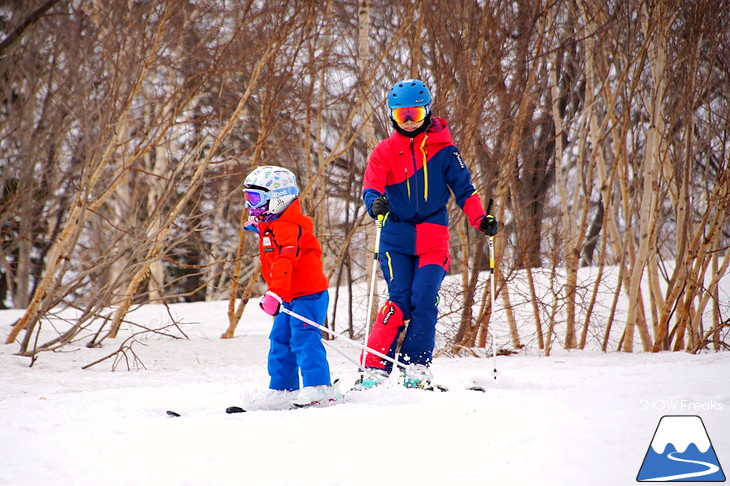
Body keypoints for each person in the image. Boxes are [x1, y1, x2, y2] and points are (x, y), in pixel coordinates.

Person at [356, 79, 499, 390]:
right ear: (392, 115)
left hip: (433, 238)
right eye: (402, 114)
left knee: (424, 298)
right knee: (399, 301)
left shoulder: (445, 151)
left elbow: (465, 191)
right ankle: (373, 371)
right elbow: (371, 187)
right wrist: (374, 203)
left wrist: (480, 219)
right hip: (395, 239)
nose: (409, 121)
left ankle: (416, 368)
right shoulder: (384, 151)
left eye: (416, 114)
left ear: (428, 112)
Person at [242, 165, 335, 407]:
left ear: (278, 199)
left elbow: (285, 260)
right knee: (280, 338)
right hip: (289, 296)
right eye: (247, 198)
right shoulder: (271, 225)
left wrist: (275, 292)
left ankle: (319, 386)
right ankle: (283, 389)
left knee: (304, 337)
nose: (250, 205)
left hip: (308, 295)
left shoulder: (289, 226)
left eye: (255, 198)